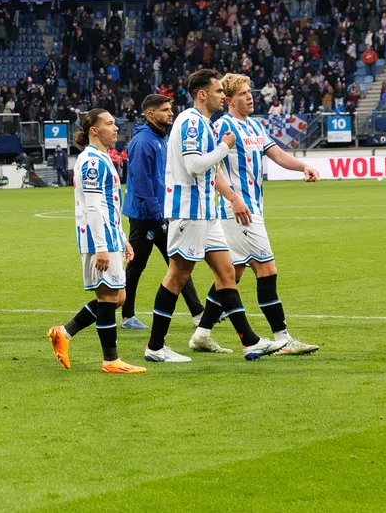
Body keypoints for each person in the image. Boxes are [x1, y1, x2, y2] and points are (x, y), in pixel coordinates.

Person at [141, 69, 279, 363]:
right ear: (202, 94)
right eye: (218, 92)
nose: (222, 96)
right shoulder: (192, 122)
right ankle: (155, 347)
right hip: (189, 211)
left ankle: (250, 342)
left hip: (207, 211)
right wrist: (224, 147)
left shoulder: (203, 122)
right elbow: (194, 166)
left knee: (226, 272)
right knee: (177, 275)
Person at [192, 74, 322, 356]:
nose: (250, 97)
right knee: (266, 269)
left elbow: (277, 155)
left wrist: (303, 167)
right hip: (237, 211)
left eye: (250, 92)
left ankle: (201, 333)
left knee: (233, 274)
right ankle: (283, 338)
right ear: (228, 100)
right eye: (242, 93)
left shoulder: (254, 126)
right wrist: (234, 198)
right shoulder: (223, 126)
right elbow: (210, 169)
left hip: (251, 208)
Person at [46, 109, 146, 374]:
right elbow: (92, 206)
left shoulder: (102, 157)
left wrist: (122, 238)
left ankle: (64, 333)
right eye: (110, 124)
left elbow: (108, 205)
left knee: (118, 297)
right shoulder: (92, 160)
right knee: (108, 296)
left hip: (110, 235)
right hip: (97, 238)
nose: (116, 128)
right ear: (94, 130)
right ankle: (110, 360)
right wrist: (101, 246)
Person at [120, 93, 204, 330]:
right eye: (165, 110)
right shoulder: (142, 142)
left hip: (160, 214)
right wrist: (159, 216)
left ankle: (198, 312)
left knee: (177, 262)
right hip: (145, 217)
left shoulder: (161, 139)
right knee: (138, 265)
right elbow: (142, 184)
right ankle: (127, 316)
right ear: (151, 114)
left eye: (170, 109)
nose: (171, 113)